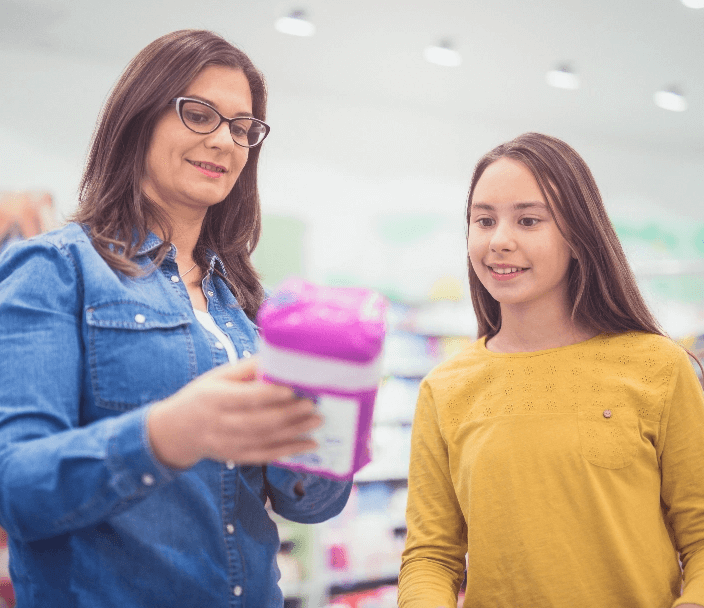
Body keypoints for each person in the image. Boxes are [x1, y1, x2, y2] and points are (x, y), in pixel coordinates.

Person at [0, 30, 352, 608]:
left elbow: (306, 505)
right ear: (140, 119)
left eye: (243, 128)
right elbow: (17, 489)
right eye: (199, 114)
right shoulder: (56, 269)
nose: (225, 142)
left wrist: (331, 432)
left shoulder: (244, 304)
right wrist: (167, 435)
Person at [398, 132, 704, 608]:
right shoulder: (445, 388)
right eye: (483, 220)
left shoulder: (659, 367)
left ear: (579, 236)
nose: (500, 240)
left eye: (528, 220)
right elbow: (432, 557)